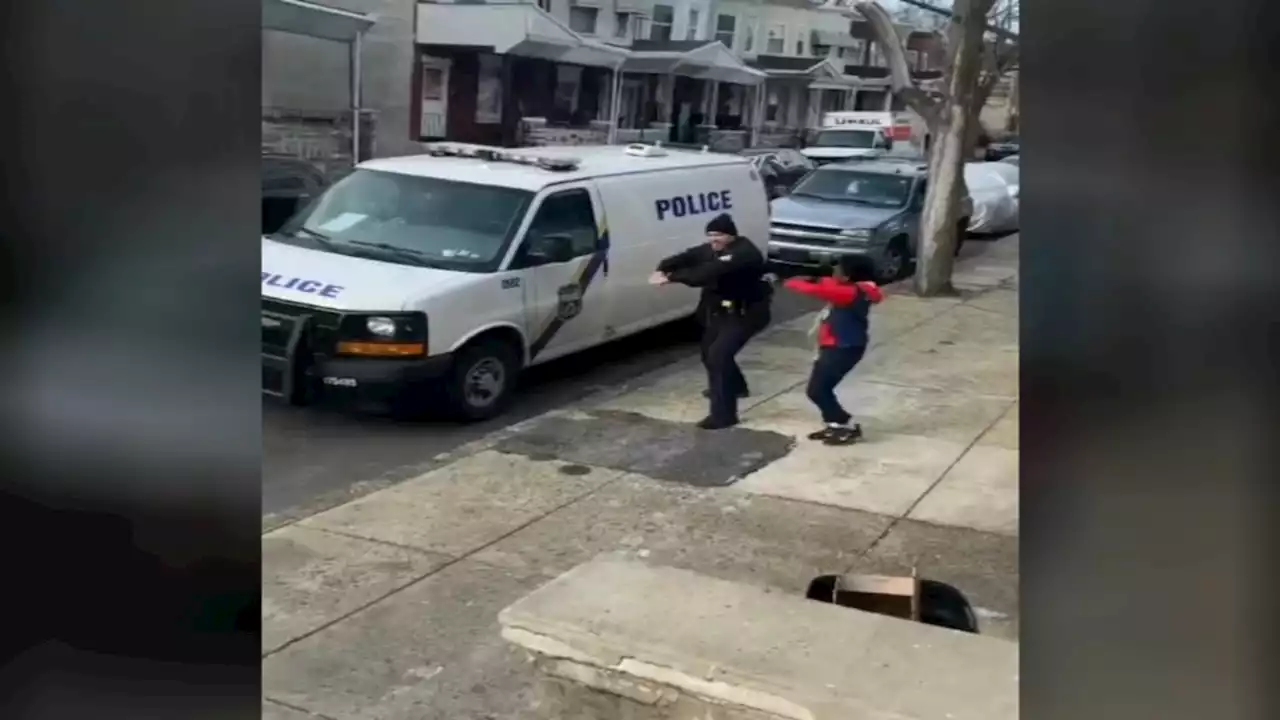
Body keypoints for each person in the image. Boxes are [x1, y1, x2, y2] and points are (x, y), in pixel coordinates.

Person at [651, 212, 772, 430]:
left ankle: (724, 415)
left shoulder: (743, 253)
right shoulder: (714, 249)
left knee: (719, 356)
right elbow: (690, 256)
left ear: (731, 236)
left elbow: (706, 273)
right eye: (710, 235)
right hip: (723, 311)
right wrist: (664, 267)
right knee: (709, 351)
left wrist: (671, 278)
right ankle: (734, 386)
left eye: (718, 235)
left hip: (747, 313)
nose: (713, 239)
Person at [781, 255, 884, 445]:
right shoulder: (856, 289)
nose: (835, 271)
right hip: (837, 346)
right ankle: (834, 425)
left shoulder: (849, 293)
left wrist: (791, 282)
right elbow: (828, 283)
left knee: (817, 390)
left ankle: (847, 425)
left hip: (843, 348)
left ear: (848, 276)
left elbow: (818, 290)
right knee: (820, 389)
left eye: (839, 268)